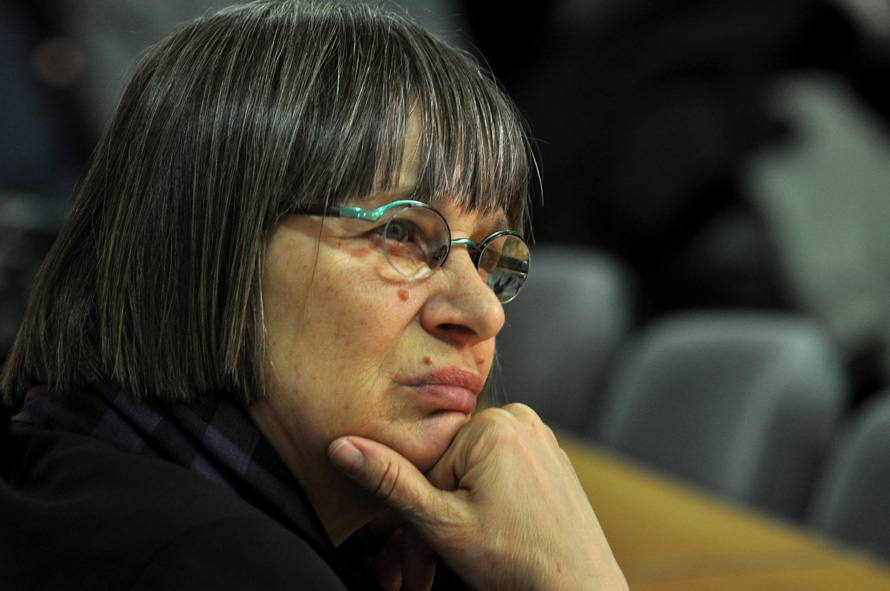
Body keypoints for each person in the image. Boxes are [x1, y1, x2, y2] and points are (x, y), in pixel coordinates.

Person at [0, 2, 627, 590]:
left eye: (488, 256)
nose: (484, 313)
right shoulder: (223, 565)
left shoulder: (77, 470)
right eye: (401, 232)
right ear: (210, 245)